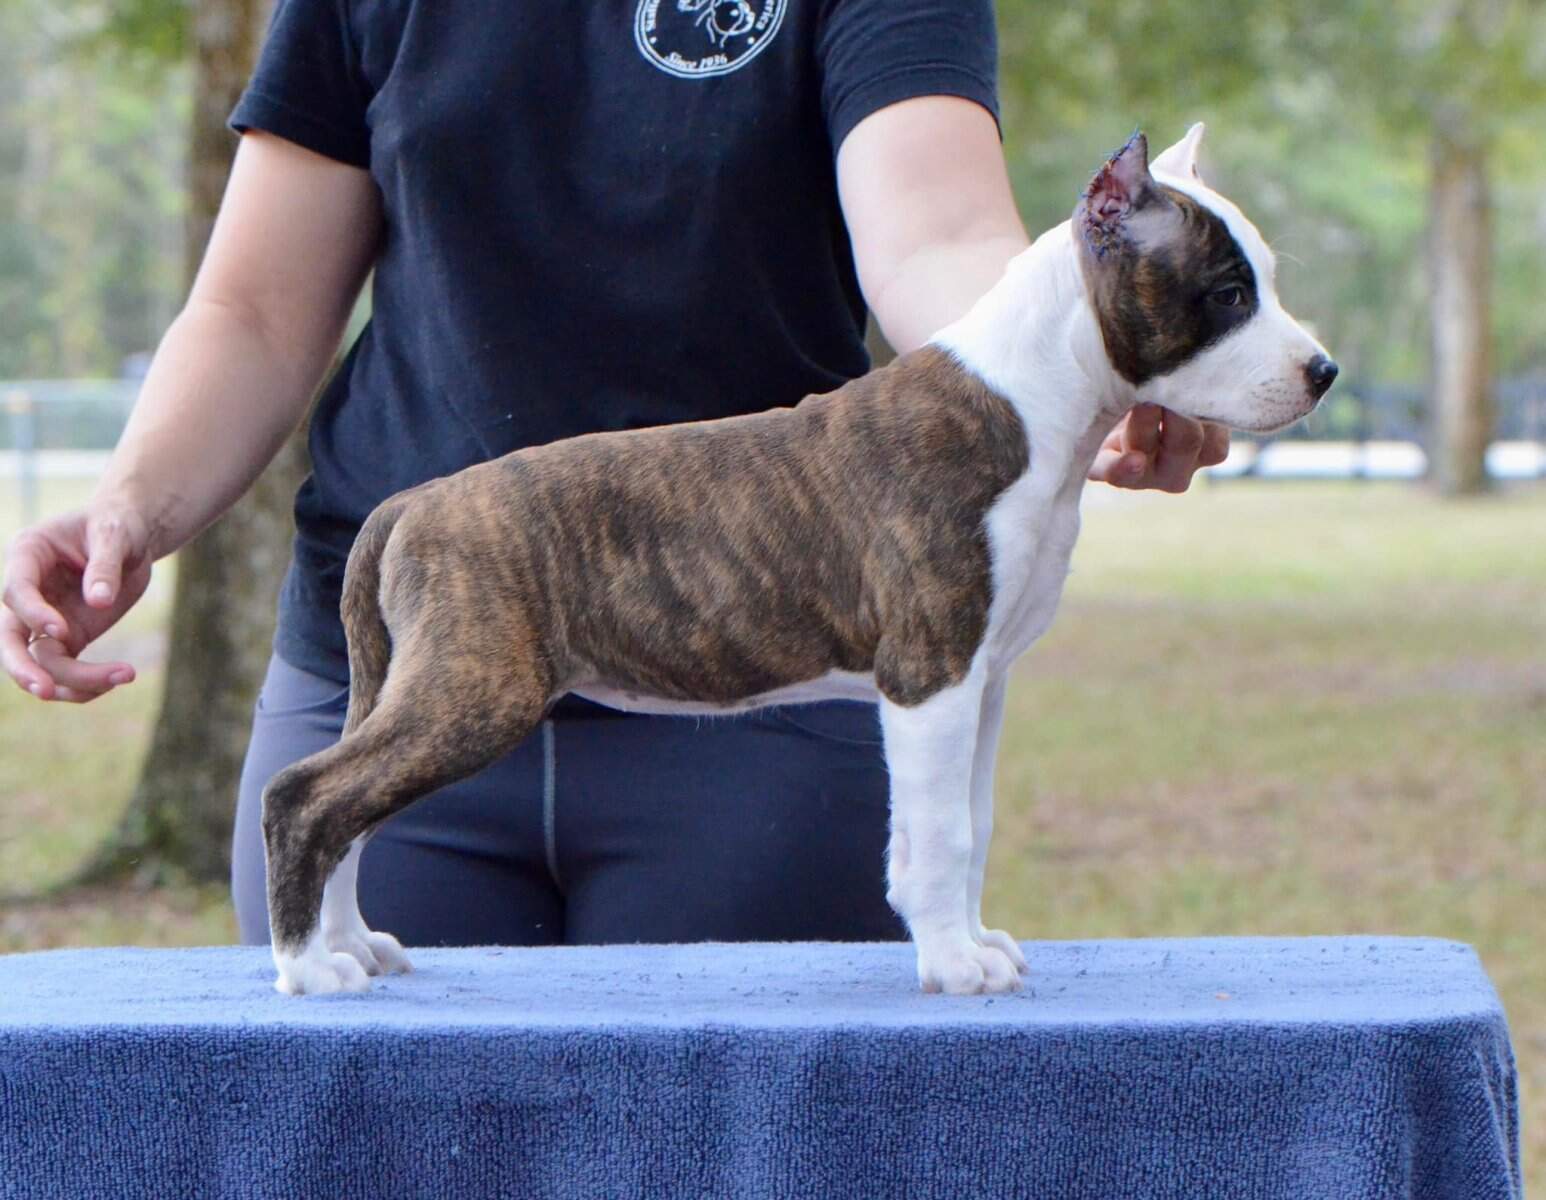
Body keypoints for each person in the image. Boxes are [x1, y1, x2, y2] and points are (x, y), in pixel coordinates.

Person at [0, 0, 1228, 949]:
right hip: (396, 669)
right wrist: (131, 506)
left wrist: (1076, 367)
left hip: (762, 699)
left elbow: (937, 232)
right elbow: (256, 309)